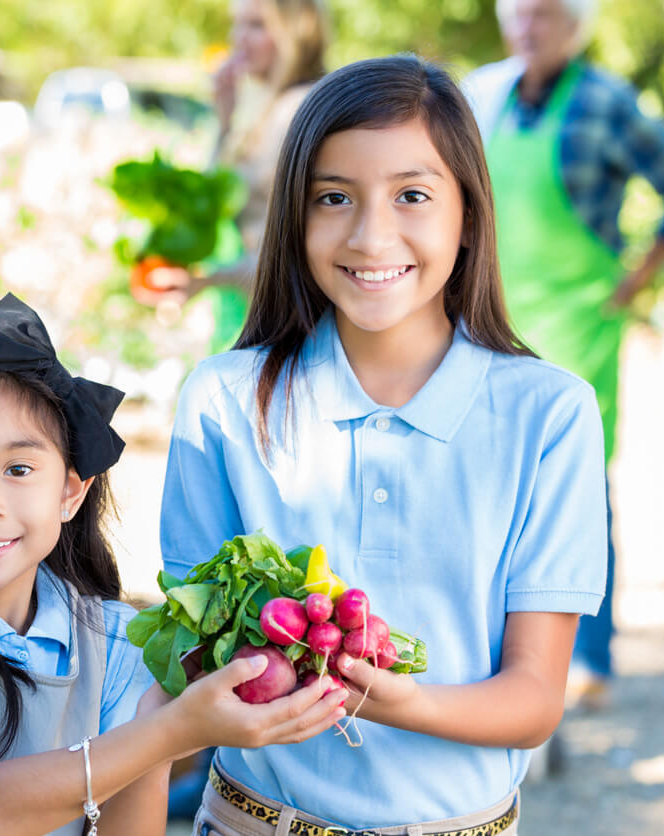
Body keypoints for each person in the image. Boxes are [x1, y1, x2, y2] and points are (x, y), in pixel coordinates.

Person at [159, 56, 608, 834]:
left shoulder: (550, 414)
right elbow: (185, 663)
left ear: (468, 212)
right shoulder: (223, 402)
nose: (372, 236)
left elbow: (535, 701)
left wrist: (401, 701)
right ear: (293, 219)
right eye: (333, 198)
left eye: (412, 195)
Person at [0, 294, 347, 836]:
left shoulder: (115, 640)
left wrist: (163, 728)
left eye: (17, 468)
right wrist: (170, 732)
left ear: (69, 493)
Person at [463, 0, 664, 707]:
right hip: (488, 316)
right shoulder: (483, 94)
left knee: (576, 479)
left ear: (576, 23)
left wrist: (637, 279)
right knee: (485, 481)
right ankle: (497, 654)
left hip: (578, 320)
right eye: (519, 13)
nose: (530, 25)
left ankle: (591, 659)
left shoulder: (608, 102)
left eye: (546, 13)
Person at [153, 0, 328, 353]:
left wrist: (205, 280)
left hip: (287, 315)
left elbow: (294, 248)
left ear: (295, 32)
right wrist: (224, 119)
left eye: (257, 26)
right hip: (251, 300)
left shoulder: (298, 111)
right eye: (237, 24)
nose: (238, 39)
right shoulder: (264, 104)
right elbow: (214, 202)